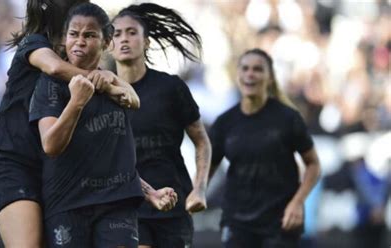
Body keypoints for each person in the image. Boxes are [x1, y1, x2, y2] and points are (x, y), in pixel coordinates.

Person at [29, 3, 178, 247]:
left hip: (116, 205)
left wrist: (150, 192)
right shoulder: (51, 84)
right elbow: (50, 145)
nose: (79, 41)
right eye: (74, 34)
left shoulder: (114, 89)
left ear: (107, 42)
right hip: (68, 203)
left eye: (89, 35)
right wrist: (76, 102)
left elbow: (114, 160)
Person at [0, 1, 120, 247]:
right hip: (16, 169)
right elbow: (54, 68)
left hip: (59, 175)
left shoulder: (77, 60)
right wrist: (111, 85)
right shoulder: (34, 44)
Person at [110, 3, 212, 247]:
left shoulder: (171, 88)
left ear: (146, 42)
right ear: (108, 44)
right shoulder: (102, 93)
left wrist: (199, 189)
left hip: (173, 204)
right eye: (116, 33)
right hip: (128, 207)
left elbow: (201, 141)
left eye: (132, 32)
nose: (124, 39)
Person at [208, 48, 321, 248]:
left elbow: (313, 165)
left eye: (258, 69)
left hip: (280, 221)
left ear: (269, 78)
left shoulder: (288, 118)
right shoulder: (225, 122)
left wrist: (297, 203)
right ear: (238, 76)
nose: (250, 74)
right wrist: (195, 192)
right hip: (237, 221)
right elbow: (207, 166)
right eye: (245, 69)